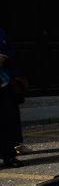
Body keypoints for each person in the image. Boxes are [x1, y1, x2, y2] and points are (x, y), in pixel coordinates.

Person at [0, 27, 26, 168]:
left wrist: (5, 56)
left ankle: (9, 156)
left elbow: (13, 50)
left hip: (4, 83)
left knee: (7, 122)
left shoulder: (1, 32)